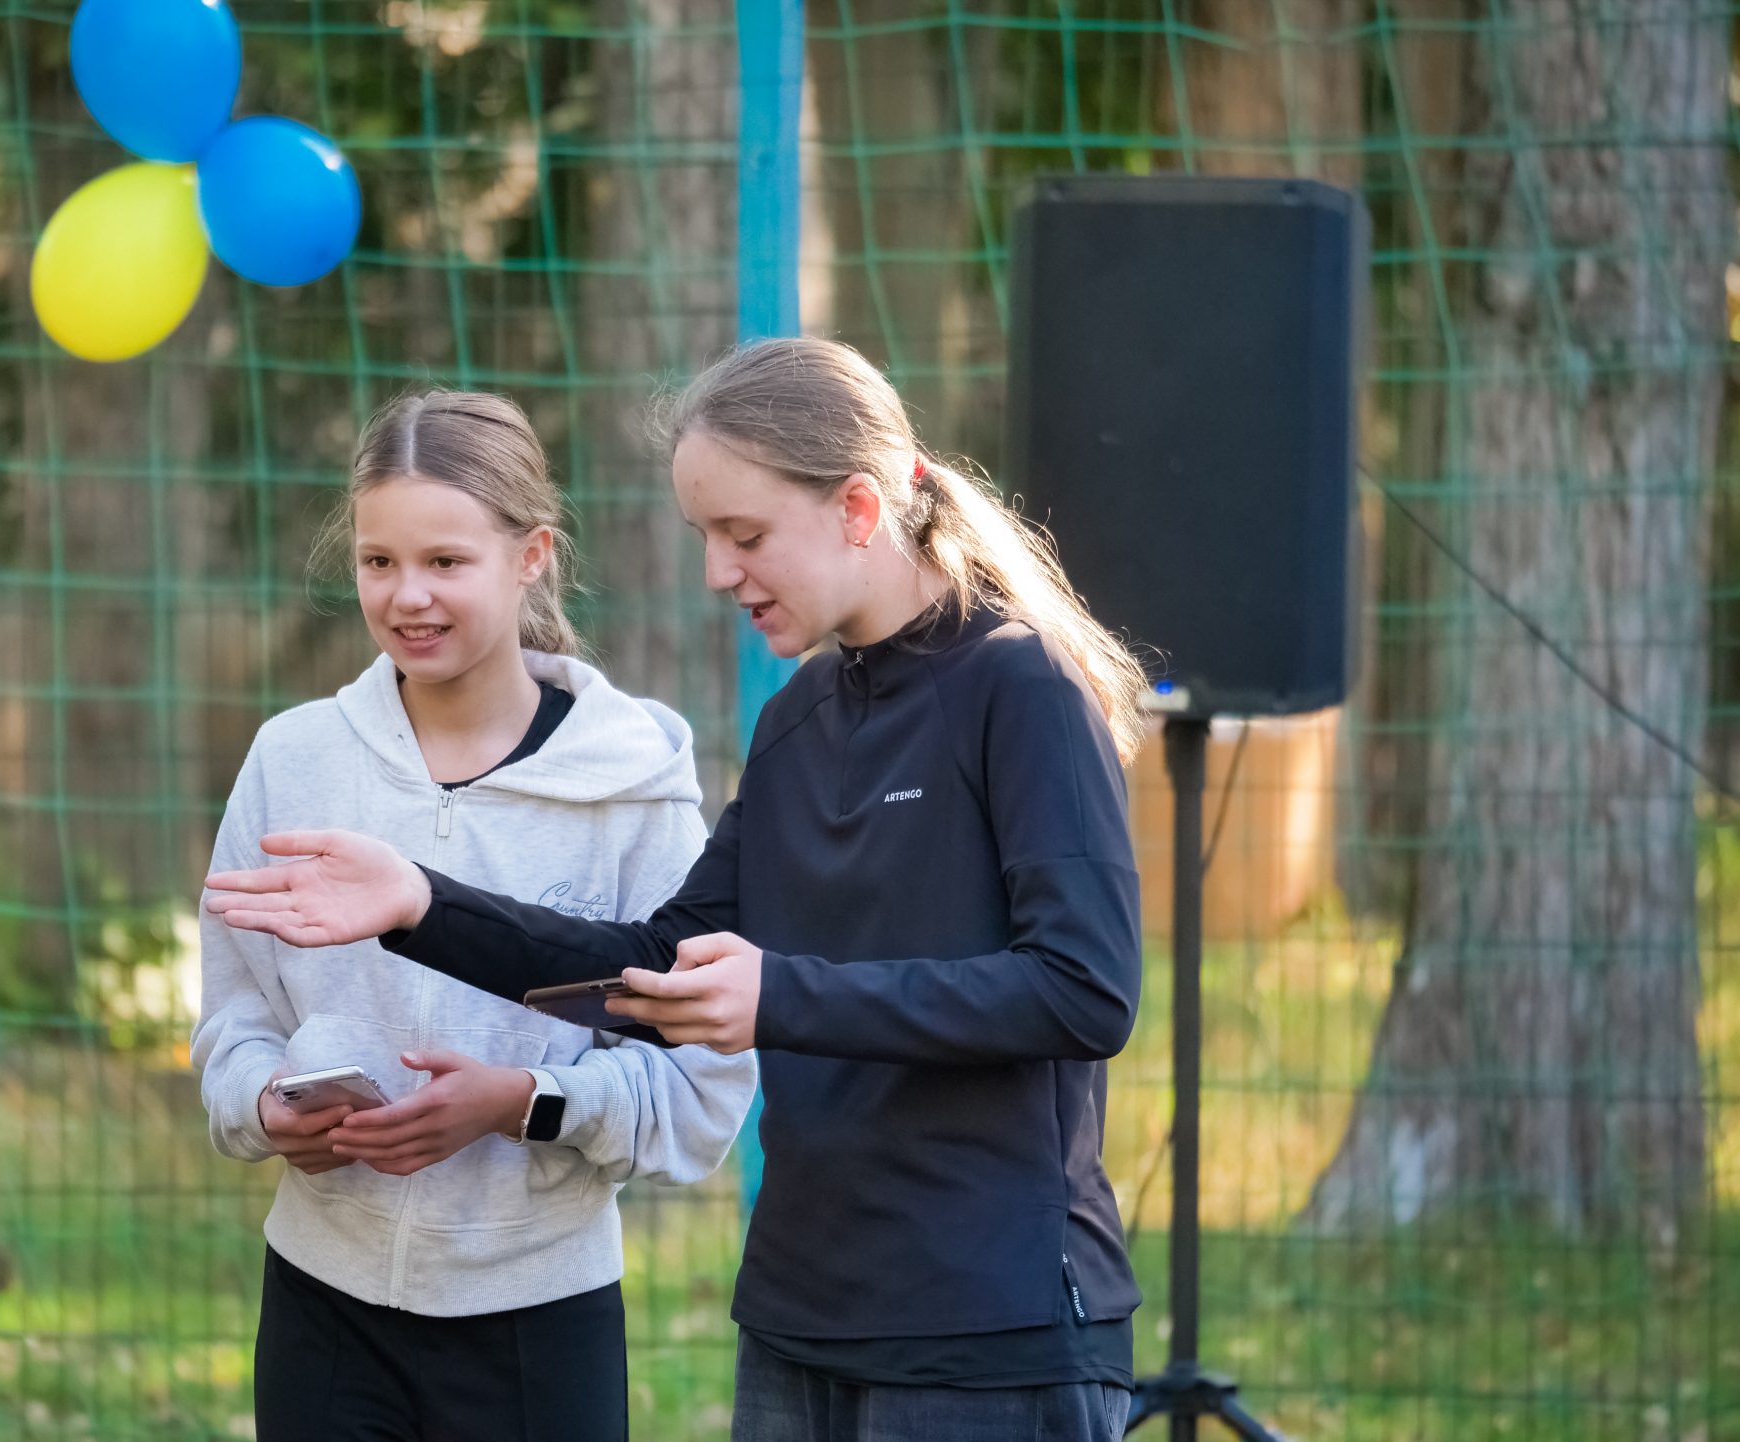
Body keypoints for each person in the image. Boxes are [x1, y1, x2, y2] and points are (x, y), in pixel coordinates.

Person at [205, 339, 1149, 1442]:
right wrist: (422, 902)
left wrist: (777, 996)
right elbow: (651, 964)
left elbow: (1083, 990)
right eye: (706, 536)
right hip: (799, 1321)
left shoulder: (1020, 685)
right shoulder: (799, 719)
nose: (717, 572)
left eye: (744, 535)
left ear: (856, 508)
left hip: (989, 1332)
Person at [194, 390, 756, 1441]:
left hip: (540, 1321)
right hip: (321, 1305)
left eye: (445, 561)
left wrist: (524, 1101)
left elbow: (698, 1091)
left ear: (530, 554)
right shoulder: (292, 759)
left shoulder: (633, 788)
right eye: (378, 560)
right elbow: (235, 1020)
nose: (407, 595)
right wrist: (265, 1106)